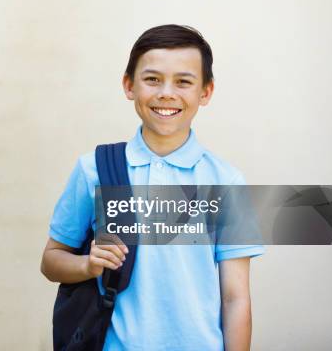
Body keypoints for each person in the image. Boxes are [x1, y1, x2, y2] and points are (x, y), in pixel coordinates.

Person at [40, 24, 264, 351]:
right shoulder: (94, 169)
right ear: (129, 85)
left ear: (206, 92)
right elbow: (51, 261)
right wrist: (88, 264)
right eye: (152, 79)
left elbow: (235, 298)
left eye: (184, 82)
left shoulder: (225, 182)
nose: (166, 93)